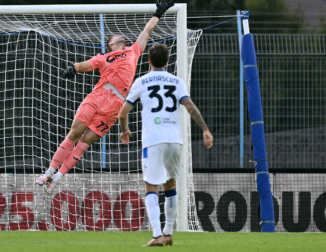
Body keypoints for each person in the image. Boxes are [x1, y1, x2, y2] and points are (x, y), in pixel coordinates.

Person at [35, 0, 175, 194]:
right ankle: (48, 172)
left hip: (114, 107)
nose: (121, 35)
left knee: (84, 144)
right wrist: (73, 68)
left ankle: (56, 180)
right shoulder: (104, 57)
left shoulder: (133, 51)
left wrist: (159, 12)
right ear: (110, 43)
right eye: (116, 36)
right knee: (74, 134)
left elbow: (147, 31)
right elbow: (86, 65)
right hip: (98, 97)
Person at [118, 43, 213, 246]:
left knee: (151, 186)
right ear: (168, 61)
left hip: (154, 140)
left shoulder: (142, 81)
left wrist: (124, 130)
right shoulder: (177, 81)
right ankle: (168, 233)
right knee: (170, 185)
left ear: (149, 60)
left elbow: (123, 112)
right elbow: (189, 106)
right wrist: (205, 129)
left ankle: (156, 235)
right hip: (175, 140)